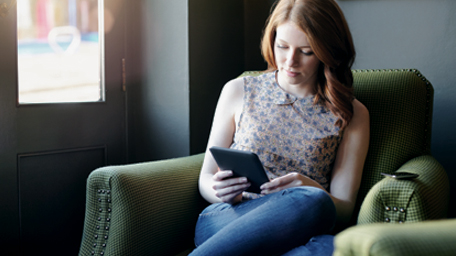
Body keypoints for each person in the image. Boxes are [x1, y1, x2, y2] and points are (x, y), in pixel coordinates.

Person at [190, 0, 370, 255]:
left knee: (327, 234)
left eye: (306, 51)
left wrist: (310, 186)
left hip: (304, 220)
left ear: (328, 51)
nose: (290, 61)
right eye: (282, 46)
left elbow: (342, 209)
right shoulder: (238, 90)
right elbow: (205, 178)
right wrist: (221, 190)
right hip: (229, 217)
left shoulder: (352, 113)